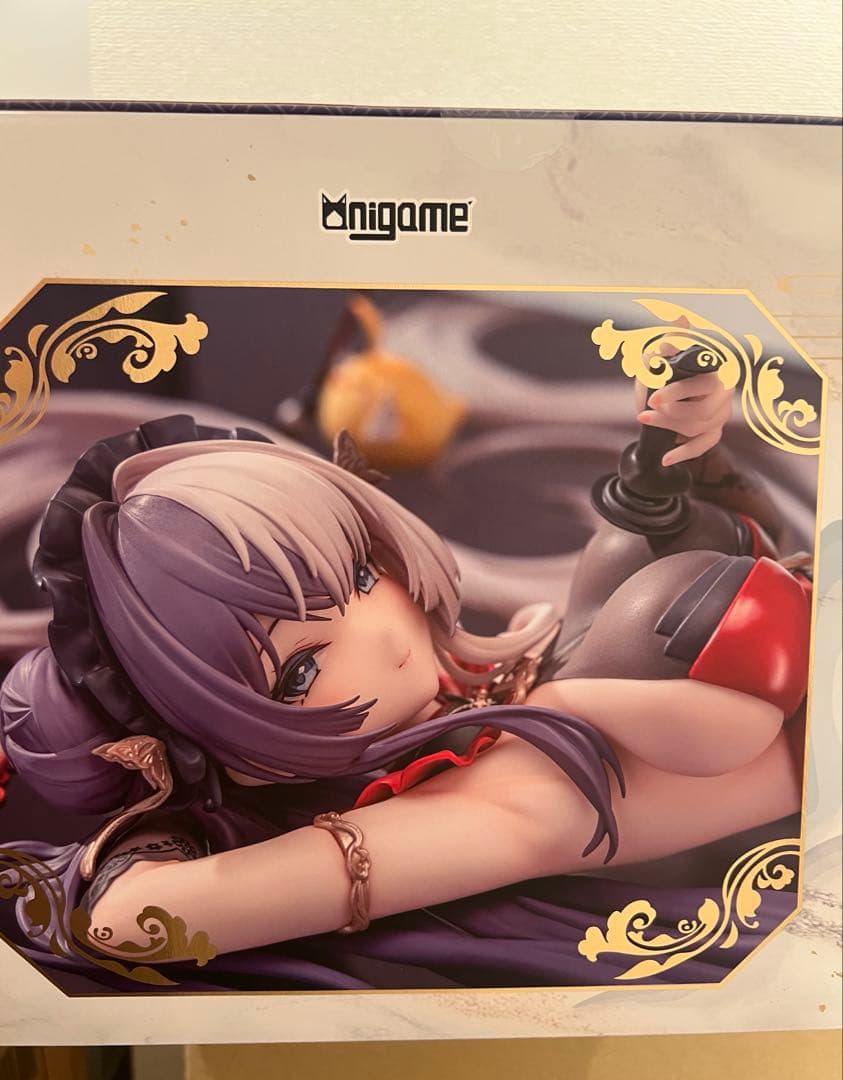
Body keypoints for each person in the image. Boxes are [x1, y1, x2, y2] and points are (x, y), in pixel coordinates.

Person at [0, 372, 810, 990]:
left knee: (629, 555)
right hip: (750, 821)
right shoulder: (436, 808)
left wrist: (675, 465)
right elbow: (125, 922)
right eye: (300, 671)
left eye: (359, 575)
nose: (384, 637)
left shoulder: (489, 689)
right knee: (659, 605)